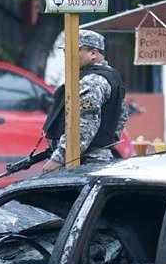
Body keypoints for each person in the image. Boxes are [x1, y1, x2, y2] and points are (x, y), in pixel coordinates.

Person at [41, 29, 127, 171]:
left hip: (82, 162)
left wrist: (59, 157)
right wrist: (104, 146)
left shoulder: (92, 81)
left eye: (73, 50)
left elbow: (83, 124)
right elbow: (122, 117)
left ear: (93, 53)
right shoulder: (110, 76)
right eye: (65, 51)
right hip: (95, 158)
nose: (66, 55)